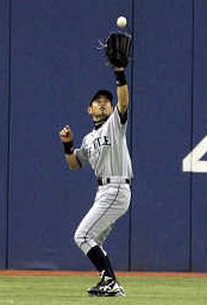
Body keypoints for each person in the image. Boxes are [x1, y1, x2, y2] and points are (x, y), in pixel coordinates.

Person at [58, 65, 132, 297]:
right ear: (89, 109)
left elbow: (123, 103)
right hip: (104, 191)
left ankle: (111, 282)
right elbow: (75, 164)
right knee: (93, 240)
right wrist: (68, 145)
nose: (103, 103)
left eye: (106, 101)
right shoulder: (89, 139)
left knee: (82, 235)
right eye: (98, 101)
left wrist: (119, 73)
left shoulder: (115, 125)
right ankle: (110, 283)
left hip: (117, 187)